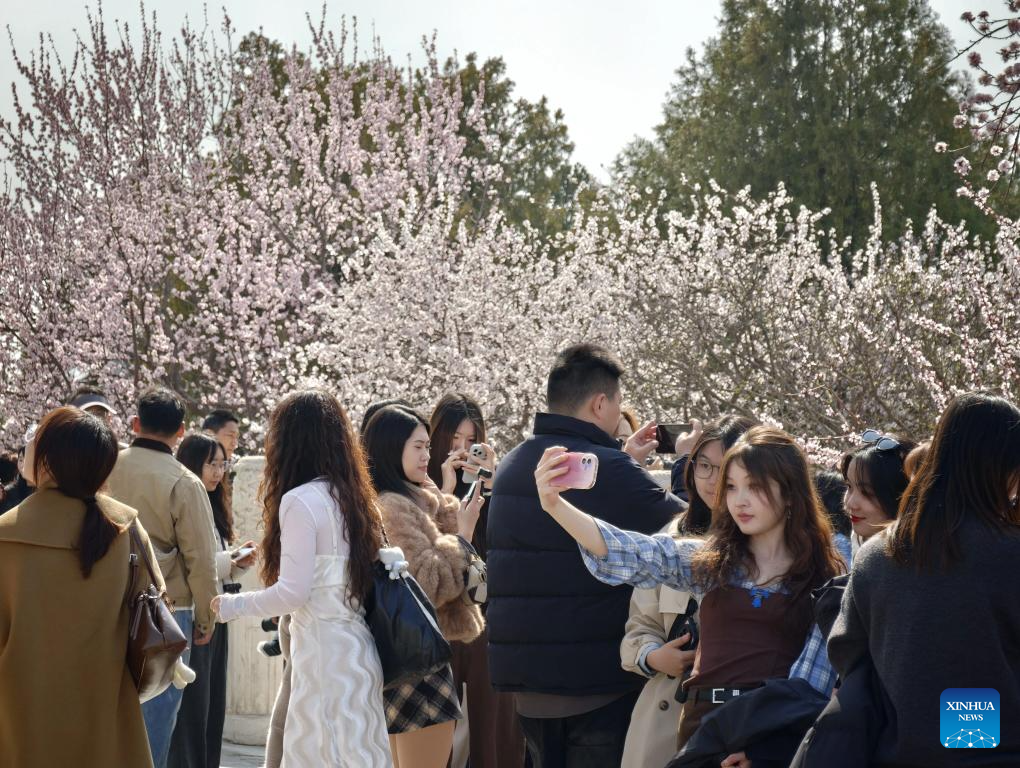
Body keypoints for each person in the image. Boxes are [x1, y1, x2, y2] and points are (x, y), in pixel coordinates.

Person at [533, 426, 844, 752]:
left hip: (772, 736)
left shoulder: (824, 575)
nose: (740, 500)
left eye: (755, 487)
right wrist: (555, 506)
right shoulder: (714, 561)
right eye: (731, 487)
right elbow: (635, 552)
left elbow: (812, 683)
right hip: (703, 727)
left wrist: (765, 750)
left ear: (791, 492)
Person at [487, 343, 682, 768]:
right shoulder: (609, 468)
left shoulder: (513, 464)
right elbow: (690, 532)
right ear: (599, 403)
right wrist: (684, 463)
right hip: (597, 685)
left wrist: (625, 461)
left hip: (528, 686)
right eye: (617, 402)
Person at [823, 392, 1020, 766]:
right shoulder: (1010, 555)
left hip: (897, 752)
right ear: (1004, 468)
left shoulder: (876, 555)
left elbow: (847, 654)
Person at [212, 389, 392, 766]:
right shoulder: (358, 500)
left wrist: (232, 605)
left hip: (322, 657)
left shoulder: (300, 501)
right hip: (361, 652)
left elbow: (292, 593)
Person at [0, 407, 163, 767]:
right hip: (104, 704)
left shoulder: (7, 536)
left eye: (35, 439)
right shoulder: (126, 527)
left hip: (19, 712)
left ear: (49, 459)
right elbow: (153, 602)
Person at [620, 415, 756, 768]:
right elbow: (639, 626)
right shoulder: (671, 538)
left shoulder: (771, 546)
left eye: (724, 468)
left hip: (741, 722)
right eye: (704, 466)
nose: (711, 480)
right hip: (667, 714)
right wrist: (653, 656)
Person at [362, 404, 484, 768]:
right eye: (417, 447)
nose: (426, 456)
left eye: (427, 447)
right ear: (391, 448)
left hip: (414, 657)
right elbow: (427, 583)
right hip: (417, 663)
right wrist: (463, 535)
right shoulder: (392, 506)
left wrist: (443, 505)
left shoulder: (404, 499)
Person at [106, 388, 220, 768]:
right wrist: (206, 617)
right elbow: (201, 558)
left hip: (106, 604)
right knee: (155, 724)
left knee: (109, 717)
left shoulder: (107, 467)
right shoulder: (184, 482)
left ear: (135, 423)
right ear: (181, 431)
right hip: (167, 612)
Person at [426, 393, 525, 768]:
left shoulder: (492, 485)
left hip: (487, 615)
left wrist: (493, 487)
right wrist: (444, 493)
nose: (462, 450)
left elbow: (509, 546)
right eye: (454, 440)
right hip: (439, 619)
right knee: (437, 736)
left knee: (495, 734)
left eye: (472, 441)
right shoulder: (421, 483)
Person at [168, 434, 257, 768]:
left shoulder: (214, 505)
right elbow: (189, 564)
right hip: (194, 614)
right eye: (211, 464)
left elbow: (212, 565)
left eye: (223, 464)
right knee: (194, 707)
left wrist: (236, 563)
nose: (219, 472)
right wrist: (229, 560)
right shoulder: (184, 499)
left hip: (216, 611)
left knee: (212, 704)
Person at [841, 430, 916, 550]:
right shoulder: (858, 541)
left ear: (902, 495)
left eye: (866, 492)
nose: (850, 503)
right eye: (849, 486)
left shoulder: (917, 557)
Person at [0, 440, 33, 515]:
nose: (23, 464)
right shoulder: (8, 492)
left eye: (27, 459)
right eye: (20, 460)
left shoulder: (46, 488)